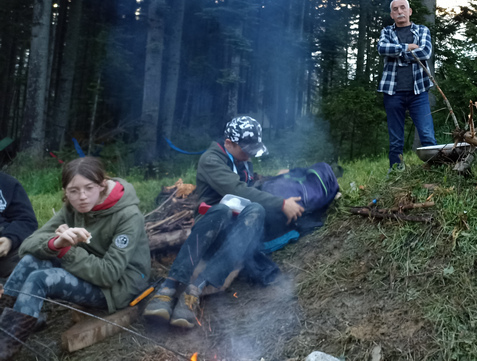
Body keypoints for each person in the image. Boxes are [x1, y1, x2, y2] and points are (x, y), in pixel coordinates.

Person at [144, 115, 304, 328]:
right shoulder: (211, 160)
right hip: (209, 231)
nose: (249, 155)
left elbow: (249, 188)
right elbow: (236, 190)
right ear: (229, 143)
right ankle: (168, 287)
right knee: (222, 209)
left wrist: (279, 179)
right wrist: (281, 203)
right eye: (245, 150)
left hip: (235, 237)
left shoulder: (243, 161)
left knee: (256, 210)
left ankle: (195, 290)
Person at [0, 157, 150, 361]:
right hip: (86, 268)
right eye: (74, 191)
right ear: (65, 191)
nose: (82, 197)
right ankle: (7, 320)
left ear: (102, 185)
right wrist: (56, 243)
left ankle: (5, 348)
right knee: (29, 261)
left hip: (118, 287)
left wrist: (66, 249)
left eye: (89, 188)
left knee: (40, 279)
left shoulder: (128, 215)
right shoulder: (73, 207)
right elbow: (28, 244)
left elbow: (109, 274)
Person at [377, 0, 437, 170]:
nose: (399, 11)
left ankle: (435, 169)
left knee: (426, 134)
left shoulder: (422, 30)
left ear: (409, 11)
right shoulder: (386, 32)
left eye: (403, 8)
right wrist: (408, 47)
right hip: (392, 92)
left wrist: (397, 52)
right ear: (391, 14)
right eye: (395, 9)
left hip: (419, 91)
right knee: (395, 138)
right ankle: (395, 171)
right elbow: (382, 48)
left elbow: (425, 52)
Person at [0, 172, 38, 278]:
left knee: (36, 261)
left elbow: (27, 221)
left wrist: (9, 240)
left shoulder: (8, 183)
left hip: (6, 252)